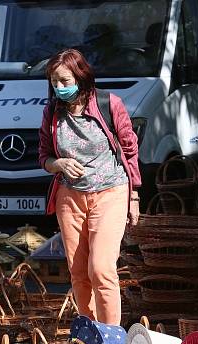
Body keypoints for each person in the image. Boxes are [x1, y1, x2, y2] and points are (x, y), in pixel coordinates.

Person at [38, 48, 141, 326]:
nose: (59, 88)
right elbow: (44, 157)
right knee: (79, 272)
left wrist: (134, 195)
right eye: (54, 82)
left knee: (102, 268)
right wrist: (58, 164)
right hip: (70, 198)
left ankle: (112, 339)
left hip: (110, 192)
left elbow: (130, 150)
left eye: (65, 81)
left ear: (81, 78)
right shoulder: (52, 113)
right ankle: (91, 335)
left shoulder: (109, 104)